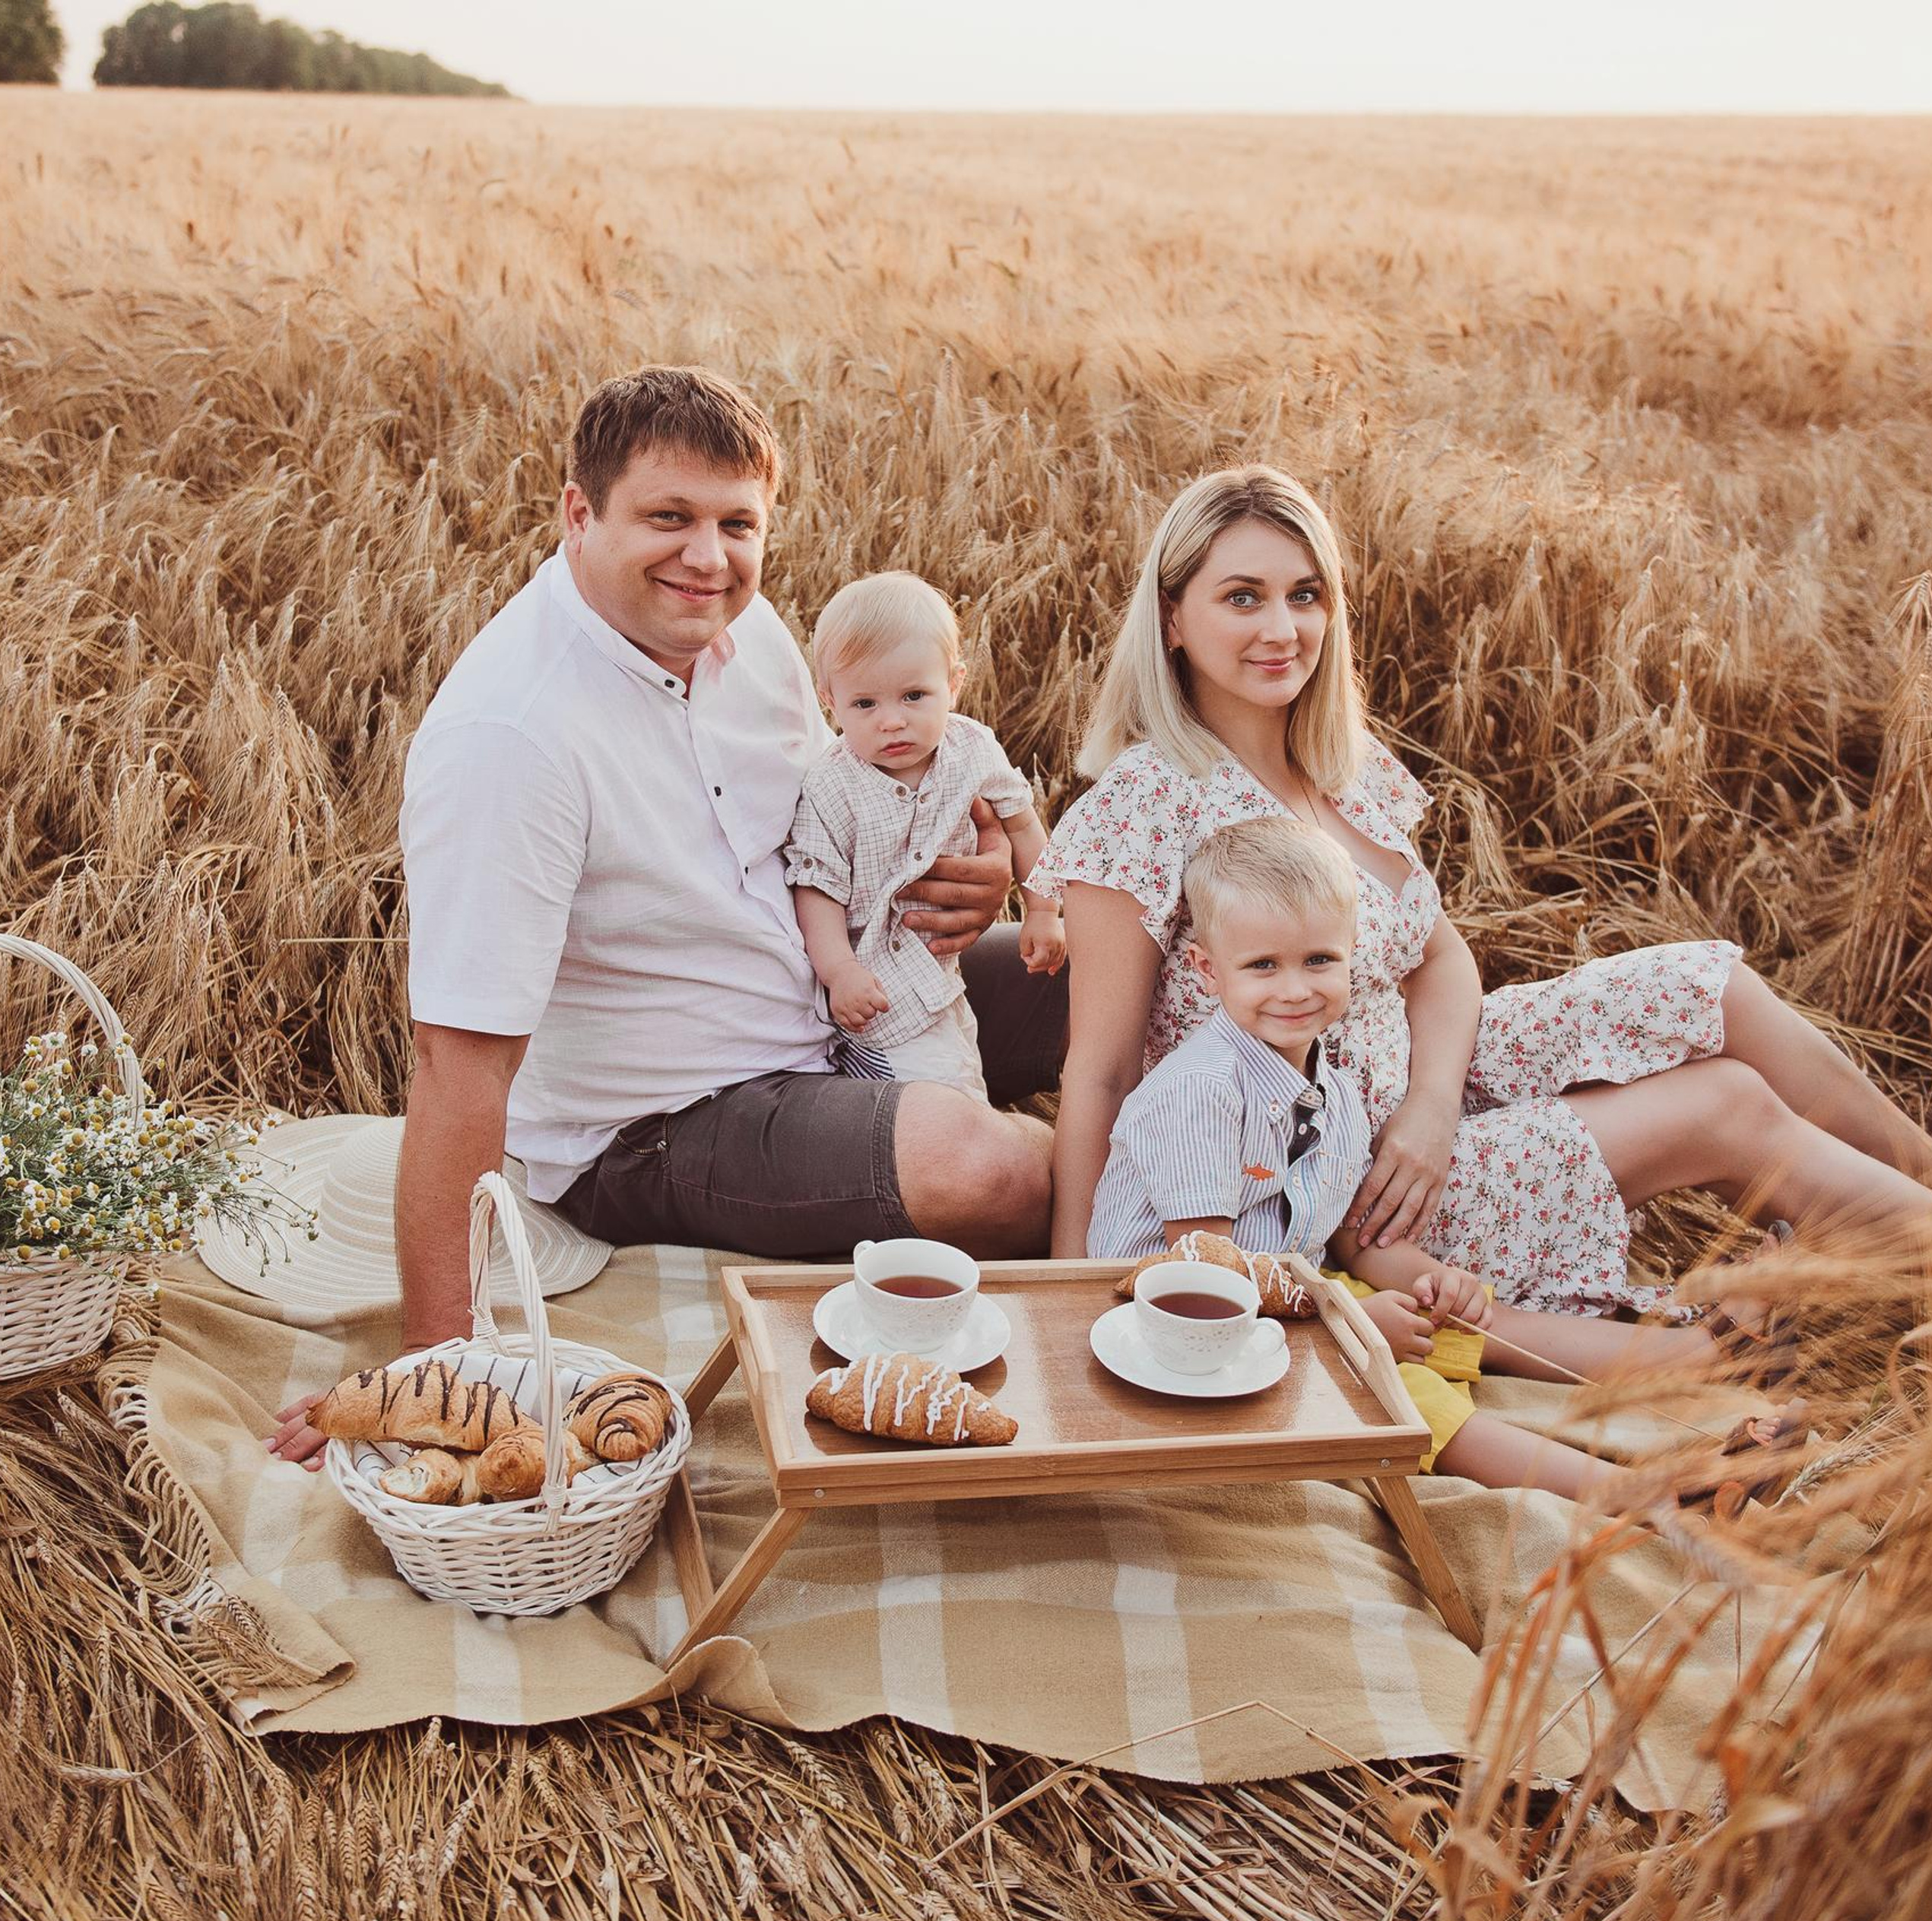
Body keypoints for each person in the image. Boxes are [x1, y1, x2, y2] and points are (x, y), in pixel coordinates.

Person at [268, 366, 1062, 1469]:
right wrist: (434, 1370)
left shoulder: (746, 632)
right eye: (669, 519)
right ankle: (1184, 1211)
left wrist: (975, 867)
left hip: (846, 992)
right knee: (993, 1170)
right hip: (665, 1119)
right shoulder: (515, 737)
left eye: (739, 524)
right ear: (578, 514)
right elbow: (458, 1064)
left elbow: (846, 805)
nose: (710, 558)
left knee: (1132, 963)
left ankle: (1298, 1158)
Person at [1035, 463, 1932, 1321]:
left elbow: (1437, 955)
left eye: (1304, 594)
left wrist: (1431, 1105)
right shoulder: (1142, 804)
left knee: (1708, 986)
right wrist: (1073, 1291)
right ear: (1172, 620)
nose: (1283, 629)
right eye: (1243, 597)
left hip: (1424, 1084)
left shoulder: (1344, 768)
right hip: (1336, 1173)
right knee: (1725, 1102)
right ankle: (1906, 1251)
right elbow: (1104, 1072)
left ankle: (1920, 1203)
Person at [1091, 816, 1796, 1507]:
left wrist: (1432, 1279)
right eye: (1262, 966)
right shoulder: (1200, 1093)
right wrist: (1355, 1327)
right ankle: (1657, 1495)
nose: (1296, 988)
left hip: (1276, 1296)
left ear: (1351, 952)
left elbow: (1344, 1238)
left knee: (1445, 1325)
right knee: (1403, 1390)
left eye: (1319, 960)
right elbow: (1206, 1271)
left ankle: (1698, 1361)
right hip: (1171, 1331)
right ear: (1209, 971)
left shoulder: (1331, 1092)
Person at [787, 572, 1064, 1098]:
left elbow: (1023, 824)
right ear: (829, 700)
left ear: (954, 684)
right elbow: (815, 888)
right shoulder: (831, 786)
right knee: (947, 1097)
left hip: (943, 975)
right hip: (878, 995)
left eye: (914, 696)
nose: (892, 721)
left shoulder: (972, 749)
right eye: (865, 705)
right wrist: (840, 970)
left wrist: (1044, 911)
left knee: (965, 1070)